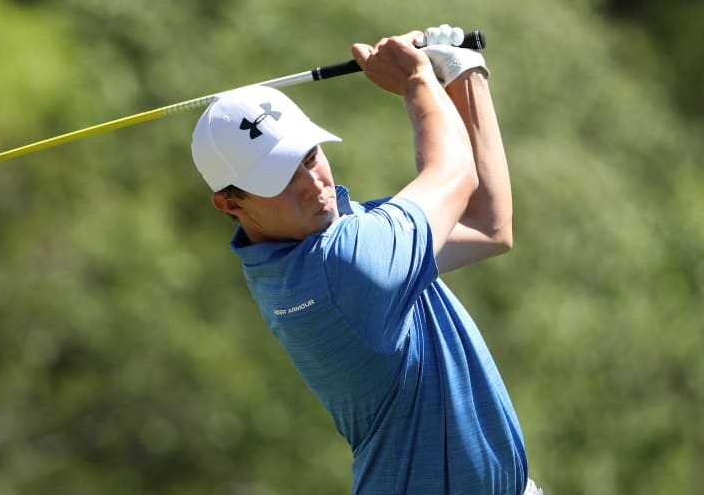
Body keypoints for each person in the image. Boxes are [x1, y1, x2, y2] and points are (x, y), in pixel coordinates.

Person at [191, 25, 542, 495]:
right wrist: (418, 80)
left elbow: (489, 227)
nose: (311, 184)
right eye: (278, 178)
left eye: (310, 155)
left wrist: (463, 72)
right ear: (230, 204)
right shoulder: (342, 266)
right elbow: (455, 175)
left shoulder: (323, 241)